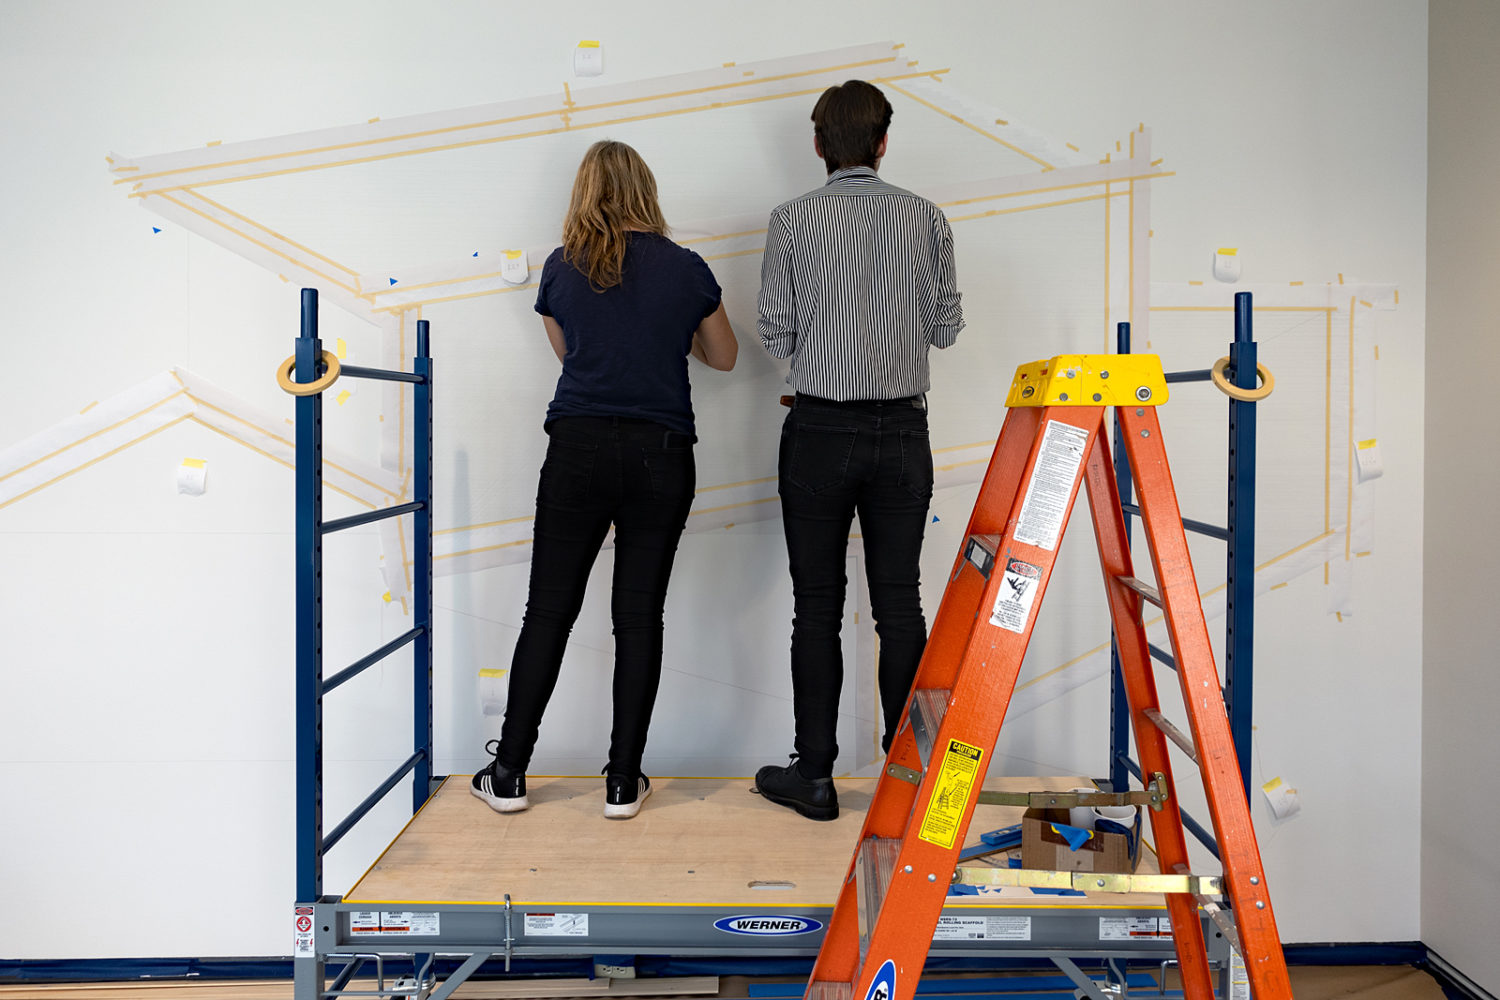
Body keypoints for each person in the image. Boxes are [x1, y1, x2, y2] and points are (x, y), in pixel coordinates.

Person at [471, 140, 738, 820]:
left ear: (585, 191)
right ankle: (622, 782)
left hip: (578, 450)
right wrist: (664, 338)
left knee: (548, 611)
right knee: (638, 617)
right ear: (646, 189)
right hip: (661, 452)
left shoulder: (563, 267)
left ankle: (509, 772)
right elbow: (726, 357)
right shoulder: (687, 268)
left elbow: (569, 354)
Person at [753, 80, 964, 821]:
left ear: (818, 145)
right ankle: (908, 787)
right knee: (898, 605)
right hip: (903, 433)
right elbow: (945, 328)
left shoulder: (790, 221)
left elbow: (774, 334)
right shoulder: (926, 217)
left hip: (816, 430)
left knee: (817, 606)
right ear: (883, 142)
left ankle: (813, 777)